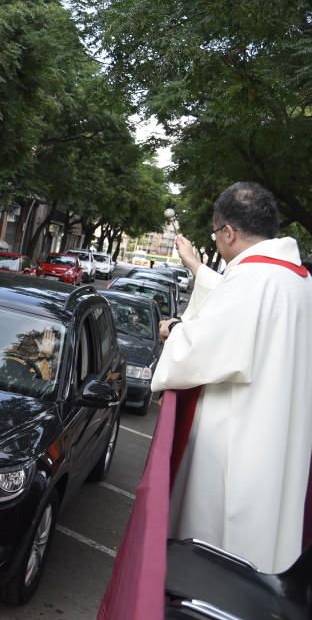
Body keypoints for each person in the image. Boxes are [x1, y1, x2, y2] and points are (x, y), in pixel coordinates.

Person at [151, 181, 312, 573]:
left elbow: (199, 350)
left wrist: (173, 332)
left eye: (215, 232)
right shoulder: (298, 280)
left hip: (239, 446)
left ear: (228, 232)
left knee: (215, 564)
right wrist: (198, 268)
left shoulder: (252, 280)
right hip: (281, 445)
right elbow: (234, 315)